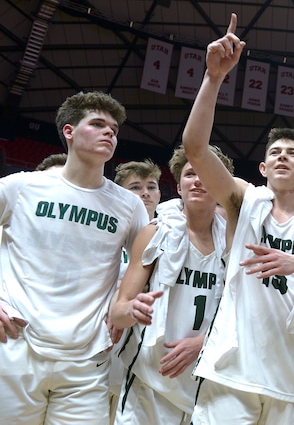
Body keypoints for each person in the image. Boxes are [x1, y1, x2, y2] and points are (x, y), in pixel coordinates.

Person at [182, 13, 294, 424]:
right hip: (235, 368)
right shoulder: (243, 200)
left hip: (290, 375)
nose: (283, 156)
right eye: (275, 153)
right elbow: (196, 149)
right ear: (263, 168)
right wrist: (213, 79)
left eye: (293, 153)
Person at [0, 91, 149, 423]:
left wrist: (122, 299)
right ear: (69, 131)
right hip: (16, 347)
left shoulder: (129, 205)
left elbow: (146, 263)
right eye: (97, 124)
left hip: (87, 358)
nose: (109, 132)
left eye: (113, 128)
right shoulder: (22, 187)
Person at [110, 145, 231, 424]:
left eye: (206, 173)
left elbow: (243, 316)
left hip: (205, 378)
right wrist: (132, 310)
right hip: (148, 380)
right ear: (178, 186)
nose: (198, 180)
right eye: (190, 174)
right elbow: (119, 311)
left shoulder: (234, 243)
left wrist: (203, 343)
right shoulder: (155, 232)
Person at [109, 159, 163, 422]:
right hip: (106, 335)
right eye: (135, 187)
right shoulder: (110, 233)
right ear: (119, 193)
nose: (145, 193)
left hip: (146, 343)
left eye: (151, 187)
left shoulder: (170, 233)